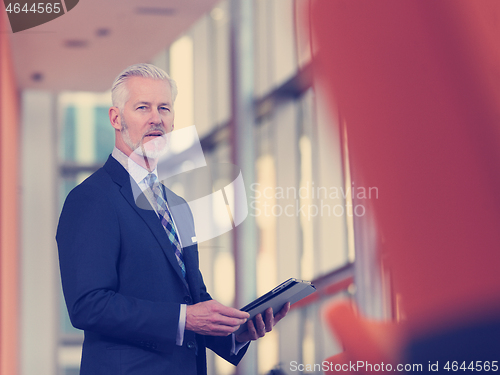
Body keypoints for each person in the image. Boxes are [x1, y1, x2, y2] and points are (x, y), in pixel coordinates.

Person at [56, 63, 290, 375]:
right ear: (116, 118)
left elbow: (194, 299)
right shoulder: (92, 198)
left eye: (164, 108)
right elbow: (88, 305)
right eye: (143, 107)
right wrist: (183, 318)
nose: (157, 118)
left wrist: (236, 332)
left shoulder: (177, 204)